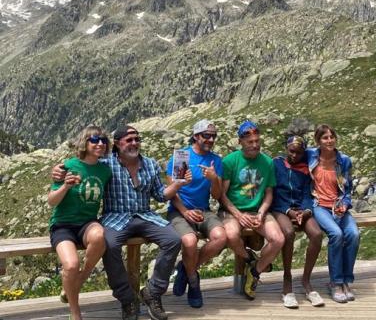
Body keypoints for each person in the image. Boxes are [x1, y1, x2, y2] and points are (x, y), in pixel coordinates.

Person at [53, 124, 191, 320]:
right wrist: (57, 170)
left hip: (145, 215)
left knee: (173, 240)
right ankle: (127, 300)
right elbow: (82, 162)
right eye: (129, 140)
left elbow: (161, 195)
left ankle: (152, 293)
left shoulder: (150, 164)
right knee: (109, 244)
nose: (134, 143)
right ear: (118, 144)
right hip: (115, 217)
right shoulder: (105, 164)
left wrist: (178, 184)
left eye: (137, 139)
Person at [48, 125, 112, 320]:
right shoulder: (68, 166)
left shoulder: (105, 170)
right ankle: (75, 313)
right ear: (85, 142)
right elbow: (52, 201)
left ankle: (80, 279)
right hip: (63, 224)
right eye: (94, 140)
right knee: (70, 265)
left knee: (100, 236)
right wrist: (65, 186)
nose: (100, 143)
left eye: (103, 140)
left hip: (87, 222)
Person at [220, 120, 284, 300]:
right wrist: (239, 216)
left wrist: (262, 212)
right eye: (250, 142)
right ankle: (252, 261)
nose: (255, 145)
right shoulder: (230, 161)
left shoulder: (267, 162)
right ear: (240, 142)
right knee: (231, 235)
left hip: (258, 210)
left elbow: (269, 193)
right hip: (233, 211)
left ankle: (254, 272)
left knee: (278, 239)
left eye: (257, 141)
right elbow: (222, 195)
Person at [166, 119, 227, 308]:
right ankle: (193, 282)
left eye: (213, 136)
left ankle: (186, 268)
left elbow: (216, 196)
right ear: (196, 136)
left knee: (221, 237)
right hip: (179, 210)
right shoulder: (183, 156)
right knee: (190, 241)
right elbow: (171, 192)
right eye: (206, 136)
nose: (210, 140)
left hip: (204, 210)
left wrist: (214, 178)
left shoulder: (215, 161)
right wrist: (185, 212)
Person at [307, 124, 360, 303]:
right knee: (336, 234)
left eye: (331, 137)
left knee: (353, 234)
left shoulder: (344, 160)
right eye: (325, 138)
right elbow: (292, 156)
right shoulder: (310, 156)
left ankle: (346, 280)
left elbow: (348, 188)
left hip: (338, 205)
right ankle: (335, 283)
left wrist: (344, 204)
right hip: (319, 205)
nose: (329, 140)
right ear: (318, 141)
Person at [271, 135, 324, 309]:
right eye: (292, 151)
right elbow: (274, 193)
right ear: (286, 149)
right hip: (281, 208)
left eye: (299, 153)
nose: (295, 155)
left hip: (301, 209)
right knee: (288, 232)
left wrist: (306, 211)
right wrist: (289, 211)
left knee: (316, 234)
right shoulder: (276, 164)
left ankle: (306, 280)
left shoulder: (305, 168)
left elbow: (308, 193)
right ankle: (287, 281)